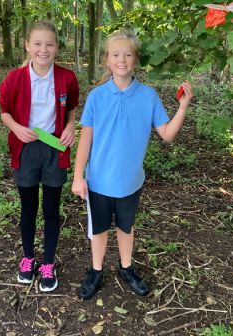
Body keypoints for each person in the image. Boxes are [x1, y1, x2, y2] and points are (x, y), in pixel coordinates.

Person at [72, 29, 193, 300]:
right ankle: (96, 271)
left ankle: (126, 268)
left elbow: (167, 134)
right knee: (99, 229)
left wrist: (183, 107)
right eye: (116, 55)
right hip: (98, 181)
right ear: (107, 59)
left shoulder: (148, 96)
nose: (122, 60)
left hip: (130, 182)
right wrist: (78, 176)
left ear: (136, 59)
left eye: (128, 55)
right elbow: (86, 140)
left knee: (126, 227)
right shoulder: (97, 96)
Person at [0, 20, 79, 292]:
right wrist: (16, 128)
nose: (43, 50)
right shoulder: (15, 78)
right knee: (29, 208)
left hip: (54, 148)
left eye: (49, 44)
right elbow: (5, 111)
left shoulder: (66, 78)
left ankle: (48, 263)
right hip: (26, 149)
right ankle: (28, 258)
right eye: (37, 44)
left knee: (51, 209)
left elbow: (71, 108)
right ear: (27, 45)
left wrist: (70, 126)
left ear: (56, 47)